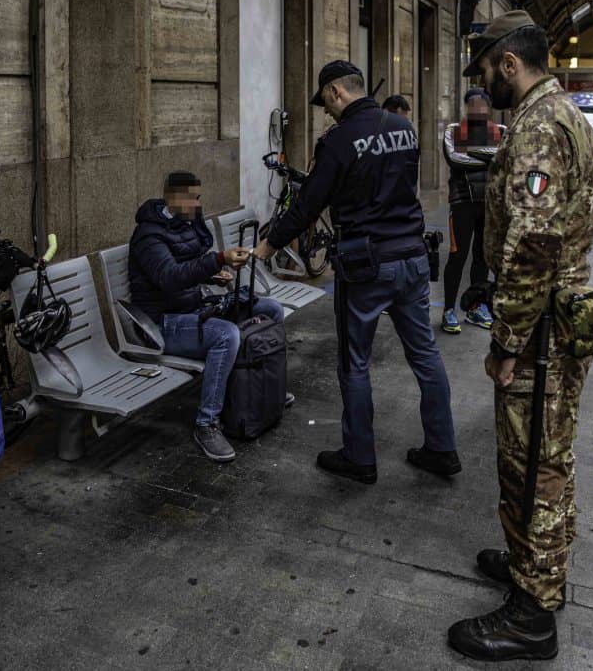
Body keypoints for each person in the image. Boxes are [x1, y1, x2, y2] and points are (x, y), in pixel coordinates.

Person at [447, 11, 593, 661]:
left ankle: (532, 617)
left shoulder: (538, 126)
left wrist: (507, 343)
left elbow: (533, 246)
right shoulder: (569, 114)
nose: (484, 84)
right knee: (548, 458)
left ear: (510, 63)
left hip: (538, 332)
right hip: (564, 316)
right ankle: (531, 567)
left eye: (486, 70)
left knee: (534, 464)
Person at [252, 60, 459, 484]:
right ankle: (442, 448)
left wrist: (266, 246)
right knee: (425, 355)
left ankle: (359, 455)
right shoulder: (405, 129)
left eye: (325, 103)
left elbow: (307, 205)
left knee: (355, 362)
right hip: (413, 257)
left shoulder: (339, 140)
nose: (326, 112)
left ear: (335, 92)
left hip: (368, 266)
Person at [128, 171, 290, 463]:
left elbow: (192, 264)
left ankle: (267, 385)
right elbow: (169, 277)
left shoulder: (186, 224)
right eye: (189, 198)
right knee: (226, 335)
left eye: (197, 197)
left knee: (271, 309)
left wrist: (215, 274)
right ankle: (207, 424)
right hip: (164, 323)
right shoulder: (147, 236)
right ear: (170, 197)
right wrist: (218, 259)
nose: (195, 204)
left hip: (194, 306)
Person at [440, 88, 504, 334]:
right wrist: (490, 157)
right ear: (466, 107)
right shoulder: (453, 131)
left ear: (488, 108)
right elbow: (455, 160)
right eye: (472, 104)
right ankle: (448, 310)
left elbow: (505, 160)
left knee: (482, 257)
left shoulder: (502, 132)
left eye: (481, 104)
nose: (477, 108)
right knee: (457, 256)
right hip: (462, 203)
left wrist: (473, 151)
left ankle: (477, 307)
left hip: (490, 206)